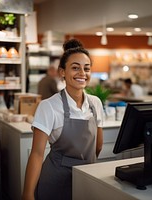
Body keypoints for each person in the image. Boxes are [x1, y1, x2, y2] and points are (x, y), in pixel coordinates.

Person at [22, 39, 104, 200]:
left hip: (87, 178)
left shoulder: (95, 103)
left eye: (86, 69)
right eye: (75, 68)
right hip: (56, 180)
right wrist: (27, 193)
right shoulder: (49, 106)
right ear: (62, 72)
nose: (82, 73)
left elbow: (98, 146)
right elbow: (37, 154)